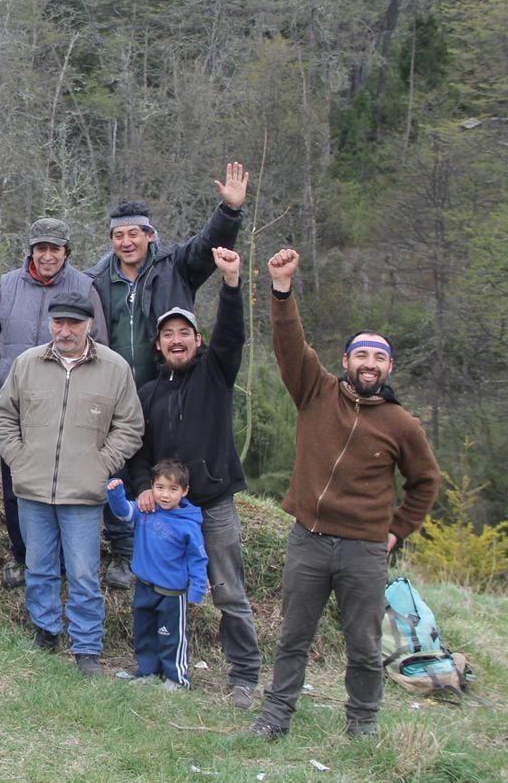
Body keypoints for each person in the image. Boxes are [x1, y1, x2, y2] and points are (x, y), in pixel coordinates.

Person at [245, 249, 442, 740]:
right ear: (346, 361)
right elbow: (290, 345)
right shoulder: (316, 391)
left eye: (379, 357)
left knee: (364, 643)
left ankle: (363, 723)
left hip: (365, 549)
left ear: (389, 367)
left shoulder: (402, 424)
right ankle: (275, 718)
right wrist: (282, 288)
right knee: (293, 637)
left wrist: (395, 531)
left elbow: (426, 482)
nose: (369, 364)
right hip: (309, 539)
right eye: (361, 354)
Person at [88, 162, 249, 590]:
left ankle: (174, 563)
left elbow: (207, 246)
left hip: (168, 387)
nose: (126, 242)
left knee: (158, 470)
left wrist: (229, 211)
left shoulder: (175, 266)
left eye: (134, 233)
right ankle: (125, 552)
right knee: (120, 470)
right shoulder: (96, 281)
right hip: (114, 389)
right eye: (119, 235)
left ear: (149, 235)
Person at [124, 246, 262, 709]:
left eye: (185, 332)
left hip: (214, 504)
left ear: (198, 341)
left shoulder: (216, 375)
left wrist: (231, 283)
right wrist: (143, 489)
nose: (176, 339)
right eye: (168, 334)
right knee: (156, 590)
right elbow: (138, 454)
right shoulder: (147, 393)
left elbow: (232, 335)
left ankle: (243, 675)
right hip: (166, 512)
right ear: (158, 345)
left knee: (227, 590)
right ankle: (157, 664)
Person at [0, 293, 143, 677]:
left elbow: (130, 426)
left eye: (74, 323)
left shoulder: (114, 368)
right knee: (40, 568)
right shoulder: (27, 364)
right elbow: (3, 416)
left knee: (83, 574)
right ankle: (46, 630)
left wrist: (101, 465)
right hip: (33, 490)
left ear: (90, 325)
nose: (65, 330)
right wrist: (19, 460)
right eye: (59, 322)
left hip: (84, 495)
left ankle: (87, 646)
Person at [0, 217, 107, 588]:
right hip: (15, 408)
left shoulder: (85, 287)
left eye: (55, 249)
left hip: (67, 409)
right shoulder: (8, 285)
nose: (47, 255)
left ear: (66, 252)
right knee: (16, 484)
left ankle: (63, 564)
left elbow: (102, 346)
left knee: (64, 487)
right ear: (30, 250)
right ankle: (23, 558)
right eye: (41, 248)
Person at [106, 461, 207, 690]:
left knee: (171, 635)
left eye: (173, 489)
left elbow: (198, 559)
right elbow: (123, 513)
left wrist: (198, 588)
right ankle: (148, 671)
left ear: (184, 492)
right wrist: (116, 493)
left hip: (172, 593)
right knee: (145, 631)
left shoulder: (189, 525)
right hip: (144, 585)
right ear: (151, 486)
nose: (165, 494)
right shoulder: (146, 511)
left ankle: (177, 678)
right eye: (160, 487)